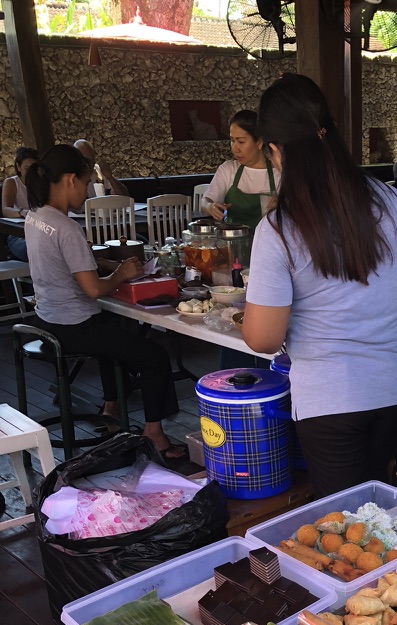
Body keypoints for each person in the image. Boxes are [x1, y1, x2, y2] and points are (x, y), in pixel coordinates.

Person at [241, 73, 397, 498]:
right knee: (375, 502)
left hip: (330, 402)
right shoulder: (388, 198)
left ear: (274, 150)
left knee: (347, 525)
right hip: (395, 393)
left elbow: (262, 337)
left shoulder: (278, 228)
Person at [24, 145, 184, 459]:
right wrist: (122, 273)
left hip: (47, 319)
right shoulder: (67, 227)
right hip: (74, 326)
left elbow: (68, 266)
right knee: (153, 356)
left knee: (115, 331)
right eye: (85, 184)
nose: (86, 192)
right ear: (70, 180)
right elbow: (93, 290)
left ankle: (111, 408)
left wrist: (110, 268)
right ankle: (155, 434)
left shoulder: (36, 217)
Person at [203, 110, 279, 231]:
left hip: (267, 243)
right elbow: (205, 201)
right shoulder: (228, 169)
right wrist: (210, 206)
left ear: (259, 142)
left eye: (241, 142)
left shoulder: (278, 174)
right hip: (232, 241)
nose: (235, 148)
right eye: (232, 140)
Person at [2, 146, 38, 261]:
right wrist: (22, 212)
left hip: (40, 231)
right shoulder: (12, 183)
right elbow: (6, 210)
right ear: (19, 167)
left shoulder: (41, 183)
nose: (30, 173)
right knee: (34, 249)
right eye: (27, 168)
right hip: (18, 235)